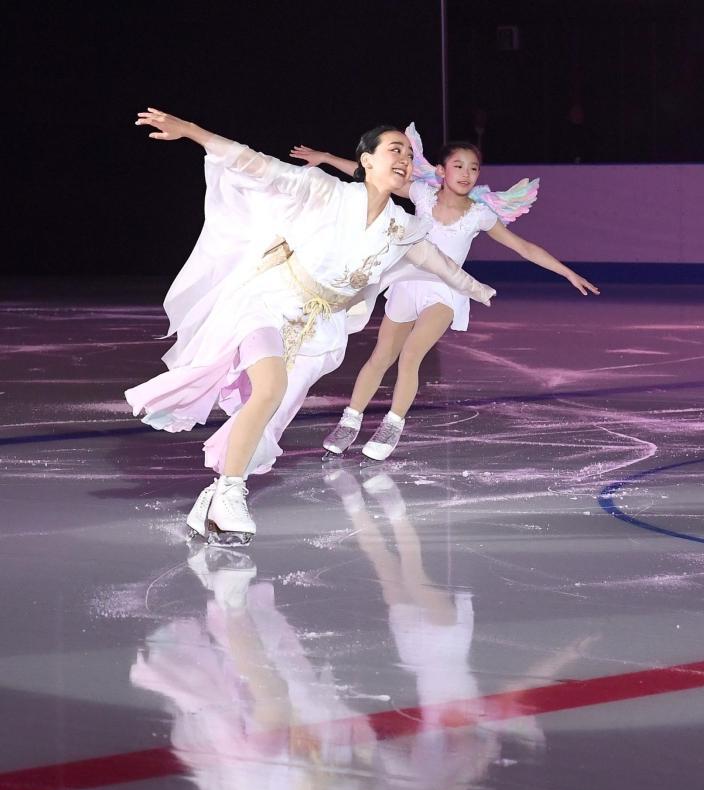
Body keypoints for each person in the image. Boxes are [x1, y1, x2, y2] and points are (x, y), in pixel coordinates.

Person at [126, 109, 495, 545]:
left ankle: (213, 494)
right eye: (394, 149)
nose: (404, 158)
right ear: (367, 160)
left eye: (410, 153)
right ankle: (230, 492)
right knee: (269, 388)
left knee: (271, 417)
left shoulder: (403, 226)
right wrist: (191, 132)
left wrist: (478, 289)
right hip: (268, 302)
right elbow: (254, 162)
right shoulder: (326, 191)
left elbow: (442, 265)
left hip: (320, 329)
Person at [290, 124, 599, 462]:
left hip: (447, 291)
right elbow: (372, 174)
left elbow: (523, 247)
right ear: (441, 170)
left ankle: (392, 424)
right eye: (458, 165)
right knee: (381, 356)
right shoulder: (422, 194)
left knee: (411, 354)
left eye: (473, 168)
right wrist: (324, 157)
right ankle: (351, 420)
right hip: (407, 284)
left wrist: (568, 272)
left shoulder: (480, 215)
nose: (466, 173)